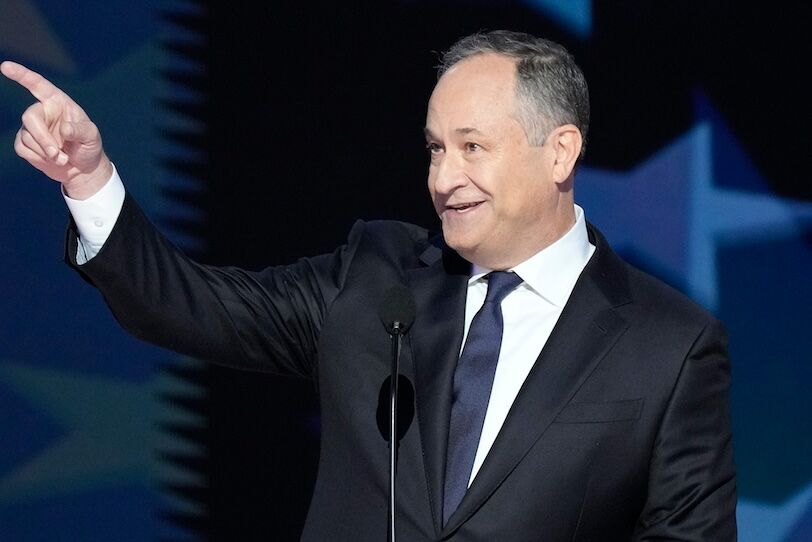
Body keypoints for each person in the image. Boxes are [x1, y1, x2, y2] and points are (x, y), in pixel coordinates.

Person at [2, 30, 736, 541]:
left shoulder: (667, 345)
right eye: (435, 149)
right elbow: (188, 305)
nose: (444, 179)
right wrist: (88, 181)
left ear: (560, 151)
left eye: (472, 148)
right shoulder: (376, 279)